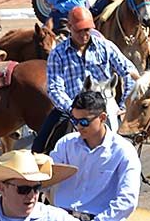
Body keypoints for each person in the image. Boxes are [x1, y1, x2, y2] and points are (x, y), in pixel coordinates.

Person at [36, 7, 137, 154]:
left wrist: (124, 104)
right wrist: (72, 109)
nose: (84, 34)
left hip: (106, 105)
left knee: (128, 146)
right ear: (69, 27)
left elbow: (129, 71)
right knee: (41, 145)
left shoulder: (105, 47)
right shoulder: (57, 54)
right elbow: (54, 87)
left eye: (87, 30)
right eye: (79, 30)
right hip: (71, 107)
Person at [49, 90, 140, 221]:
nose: (78, 126)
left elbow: (128, 200)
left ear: (103, 118)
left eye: (84, 122)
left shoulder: (124, 151)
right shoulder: (65, 143)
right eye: (74, 121)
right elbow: (46, 178)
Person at [0, 150, 78, 221]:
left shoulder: (55, 217)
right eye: (24, 189)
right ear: (2, 188)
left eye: (36, 188)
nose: (31, 195)